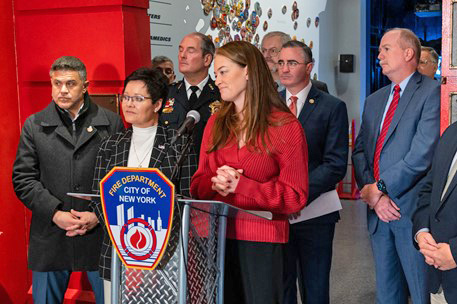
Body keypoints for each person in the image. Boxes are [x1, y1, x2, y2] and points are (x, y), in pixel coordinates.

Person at [191, 41, 309, 304]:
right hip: (215, 237)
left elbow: (295, 197)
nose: (217, 80)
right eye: (215, 74)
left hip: (263, 241)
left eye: (223, 72)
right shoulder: (215, 121)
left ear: (248, 72)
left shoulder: (285, 126)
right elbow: (198, 183)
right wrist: (215, 184)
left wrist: (242, 185)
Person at [12, 56, 124, 304]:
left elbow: (121, 177)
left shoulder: (111, 123)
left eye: (70, 83)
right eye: (57, 83)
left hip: (100, 231)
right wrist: (55, 213)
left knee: (113, 299)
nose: (62, 90)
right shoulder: (34, 125)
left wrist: (98, 214)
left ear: (85, 85)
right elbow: (23, 179)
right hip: (51, 232)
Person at [90, 67, 197, 302]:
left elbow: (187, 199)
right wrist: (123, 231)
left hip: (164, 255)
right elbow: (98, 197)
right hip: (118, 250)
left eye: (138, 99)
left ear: (157, 104)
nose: (128, 104)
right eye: (126, 97)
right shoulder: (111, 144)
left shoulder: (178, 144)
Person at [352, 28, 440, 304]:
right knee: (388, 294)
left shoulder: (432, 93)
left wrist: (379, 188)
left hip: (410, 211)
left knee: (421, 291)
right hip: (379, 214)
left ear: (408, 53)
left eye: (385, 49)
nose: (379, 56)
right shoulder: (374, 100)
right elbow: (360, 151)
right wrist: (374, 196)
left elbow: (420, 156)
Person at [278, 41, 348, 304]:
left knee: (315, 287)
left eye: (292, 63)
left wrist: (297, 196)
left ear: (309, 67)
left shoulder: (332, 107)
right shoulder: (268, 104)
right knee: (280, 286)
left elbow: (335, 164)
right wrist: (279, 199)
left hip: (315, 211)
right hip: (276, 211)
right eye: (281, 62)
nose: (284, 68)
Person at [413, 122, 457, 304]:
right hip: (439, 282)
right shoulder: (451, 132)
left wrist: (455, 253)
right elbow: (429, 189)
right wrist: (422, 231)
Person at [159, 32, 221, 157]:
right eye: (180, 50)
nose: (182, 55)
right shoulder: (166, 93)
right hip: (173, 170)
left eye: (190, 51)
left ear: (207, 59)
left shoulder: (222, 94)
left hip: (209, 170)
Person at [261, 31, 328, 93]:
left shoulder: (318, 88)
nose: (266, 56)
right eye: (263, 51)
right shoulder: (255, 85)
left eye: (273, 51)